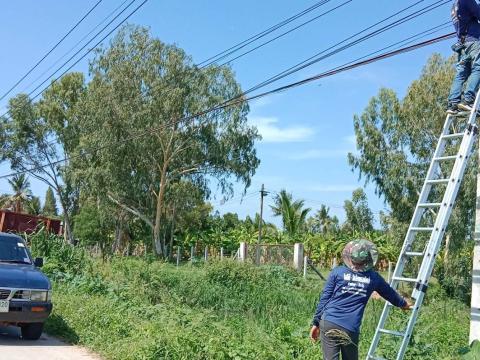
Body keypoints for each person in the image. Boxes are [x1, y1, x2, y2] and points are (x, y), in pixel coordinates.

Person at [309, 239, 411, 360]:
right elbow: (389, 293)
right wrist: (403, 303)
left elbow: (324, 299)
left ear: (350, 257)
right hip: (350, 327)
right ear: (368, 260)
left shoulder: (337, 272)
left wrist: (316, 323)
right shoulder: (373, 277)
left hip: (329, 322)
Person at [447, 0, 480, 114]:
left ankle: (453, 103)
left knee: (461, 74)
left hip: (462, 45)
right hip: (473, 41)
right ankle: (468, 99)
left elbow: (468, 15)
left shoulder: (454, 6)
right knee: (478, 68)